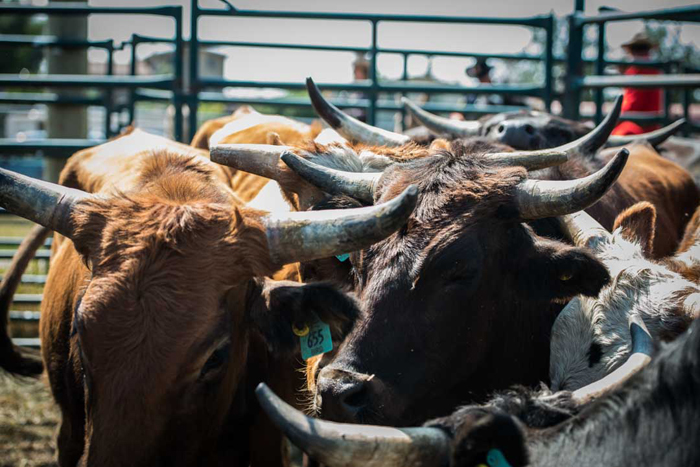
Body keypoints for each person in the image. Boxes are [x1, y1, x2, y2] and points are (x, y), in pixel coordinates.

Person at [612, 31, 663, 136]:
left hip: (638, 128)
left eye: (642, 49)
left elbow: (632, 106)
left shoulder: (637, 71)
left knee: (618, 134)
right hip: (651, 127)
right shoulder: (654, 70)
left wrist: (613, 119)